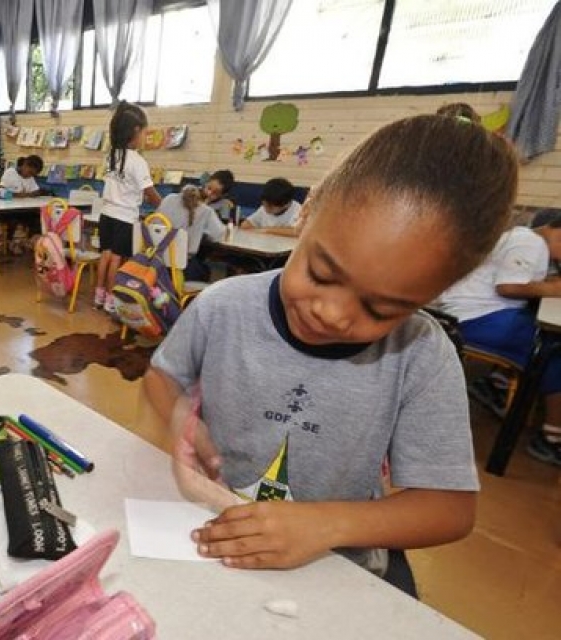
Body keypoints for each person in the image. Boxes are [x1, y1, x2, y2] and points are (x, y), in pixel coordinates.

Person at [143, 114, 518, 596]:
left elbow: (450, 509)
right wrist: (184, 422)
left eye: (382, 308)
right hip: (213, 538)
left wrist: (325, 525)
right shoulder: (222, 306)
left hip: (332, 571)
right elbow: (162, 377)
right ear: (309, 209)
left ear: (437, 292)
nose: (333, 314)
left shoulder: (422, 355)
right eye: (321, 273)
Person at [436, 209, 561, 467]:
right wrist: (553, 288)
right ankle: (552, 437)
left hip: (470, 314)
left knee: (537, 332)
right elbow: (508, 287)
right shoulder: (531, 243)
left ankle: (496, 384)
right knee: (552, 351)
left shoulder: (526, 239)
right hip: (474, 319)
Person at [94, 101, 162, 313]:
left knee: (105, 255)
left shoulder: (111, 155)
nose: (145, 137)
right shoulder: (138, 161)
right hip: (124, 218)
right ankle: (112, 300)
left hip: (106, 214)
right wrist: (164, 206)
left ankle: (99, 296)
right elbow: (150, 193)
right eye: (144, 132)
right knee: (117, 258)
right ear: (135, 131)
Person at [157, 185, 224, 282]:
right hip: (183, 268)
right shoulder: (206, 211)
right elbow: (218, 235)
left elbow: (155, 222)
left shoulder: (168, 199)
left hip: (157, 262)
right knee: (206, 270)